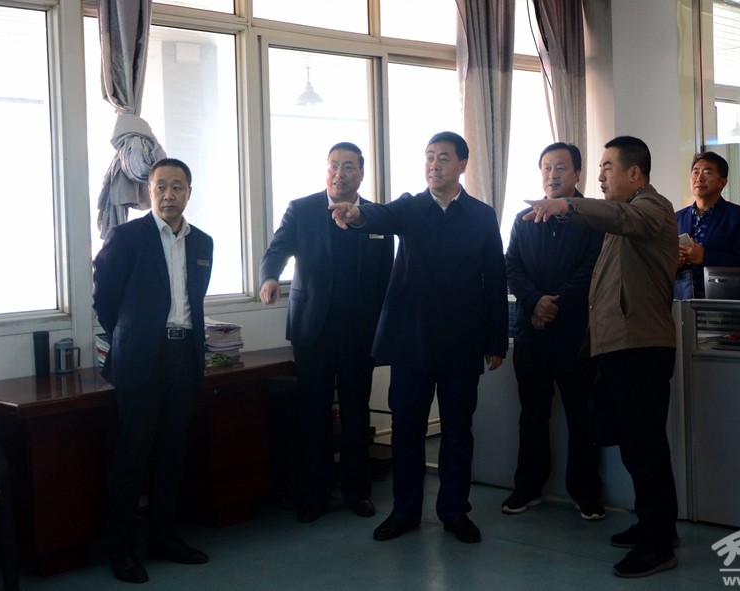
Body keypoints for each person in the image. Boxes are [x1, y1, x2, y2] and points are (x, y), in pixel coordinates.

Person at [330, 131, 508, 545]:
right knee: (407, 431)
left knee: (458, 432)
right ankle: (405, 511)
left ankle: (455, 512)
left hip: (462, 342)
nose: (434, 165)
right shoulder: (411, 207)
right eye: (429, 157)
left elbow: (495, 279)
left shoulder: (481, 216)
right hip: (411, 340)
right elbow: (379, 216)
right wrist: (356, 215)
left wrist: (496, 340)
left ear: (462, 164)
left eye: (443, 158)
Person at [524, 136, 679, 578]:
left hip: (641, 348)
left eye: (608, 166)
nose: (600, 175)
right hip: (618, 349)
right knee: (635, 447)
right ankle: (656, 526)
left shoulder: (652, 207)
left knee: (645, 449)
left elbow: (623, 218)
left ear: (635, 173)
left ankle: (657, 546)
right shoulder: (622, 216)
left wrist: (568, 205)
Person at [259, 142, 393, 524]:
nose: (339, 173)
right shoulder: (302, 209)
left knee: (355, 413)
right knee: (313, 415)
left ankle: (357, 492)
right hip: (313, 331)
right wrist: (269, 278)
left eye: (348, 166)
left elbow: (387, 278)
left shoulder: (375, 218)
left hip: (359, 333)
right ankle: (314, 494)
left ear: (361, 173)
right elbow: (276, 250)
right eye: (334, 165)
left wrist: (387, 329)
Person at [93, 158, 213, 584]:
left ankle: (165, 539)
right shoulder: (127, 238)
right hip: (141, 359)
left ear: (189, 192)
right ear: (149, 192)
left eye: (177, 187)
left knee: (171, 453)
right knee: (131, 457)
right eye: (161, 187)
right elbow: (104, 299)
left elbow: (195, 299)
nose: (168, 195)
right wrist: (132, 334)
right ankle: (122, 551)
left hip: (183, 358)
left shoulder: (203, 242)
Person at [501, 142, 605, 519]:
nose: (552, 174)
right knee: (531, 414)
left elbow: (592, 270)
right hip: (532, 332)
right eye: (546, 167)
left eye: (560, 167)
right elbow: (511, 266)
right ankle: (527, 488)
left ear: (577, 173)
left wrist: (553, 304)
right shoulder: (523, 219)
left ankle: (585, 492)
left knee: (581, 415)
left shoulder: (593, 218)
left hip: (575, 332)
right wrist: (535, 302)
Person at [675, 151, 740, 298]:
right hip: (683, 300)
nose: (699, 178)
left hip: (723, 300)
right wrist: (672, 262)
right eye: (695, 172)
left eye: (707, 173)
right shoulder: (677, 218)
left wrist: (704, 257)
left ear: (722, 182)